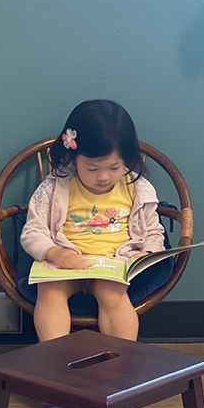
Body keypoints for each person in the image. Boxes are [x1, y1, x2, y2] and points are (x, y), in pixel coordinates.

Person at [21, 100, 165, 344]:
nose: (104, 176)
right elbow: (32, 231)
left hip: (113, 263)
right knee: (50, 292)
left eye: (114, 167)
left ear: (127, 159)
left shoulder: (138, 189)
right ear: (72, 155)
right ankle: (53, 360)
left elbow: (153, 231)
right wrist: (55, 252)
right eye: (92, 167)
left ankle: (122, 359)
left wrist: (146, 253)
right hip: (65, 262)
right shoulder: (54, 187)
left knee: (113, 294)